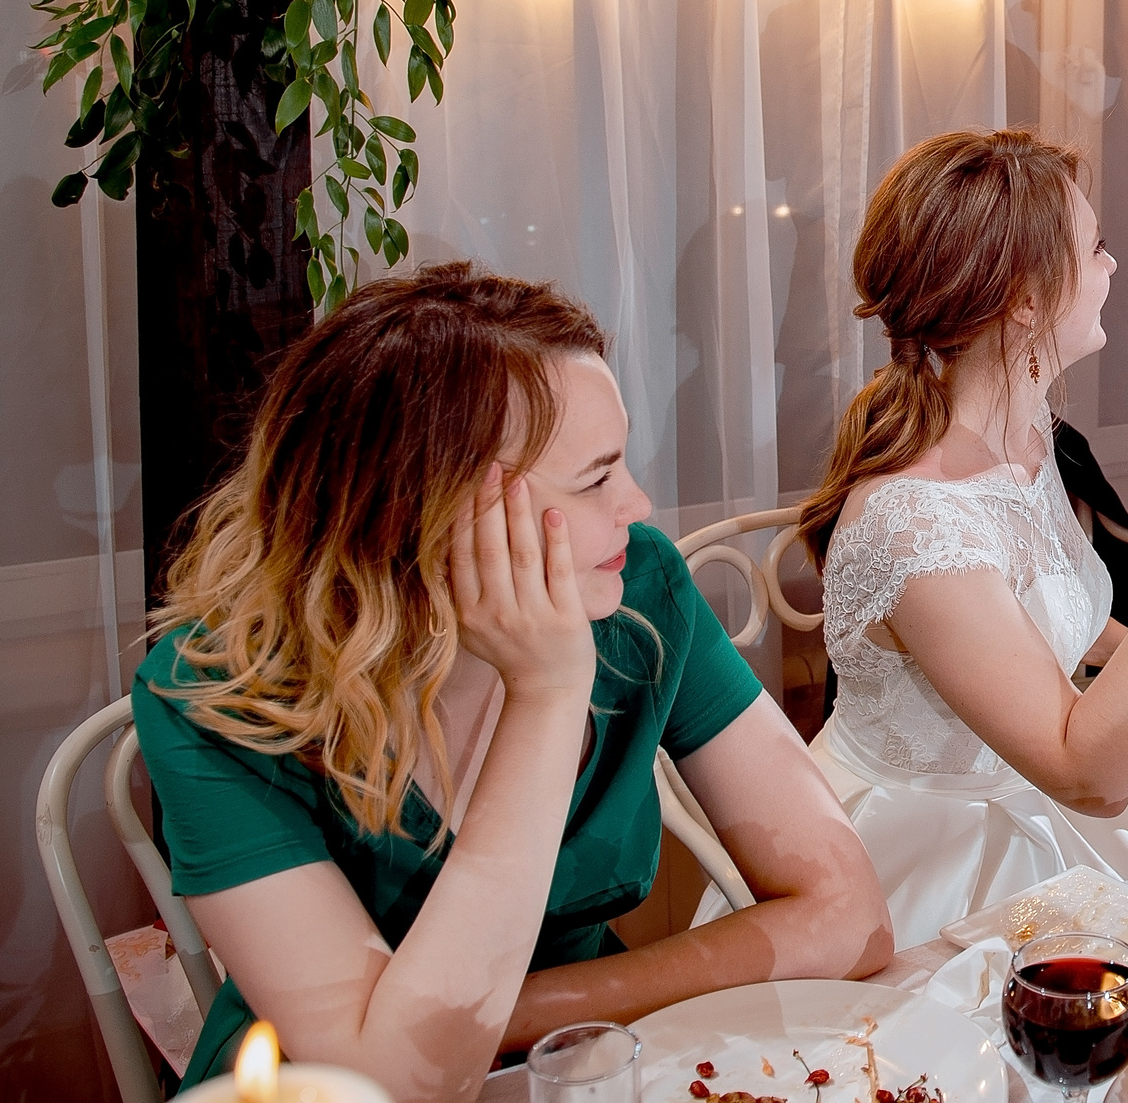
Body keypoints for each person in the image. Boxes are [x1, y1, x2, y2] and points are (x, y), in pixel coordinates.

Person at [133, 265, 890, 1097]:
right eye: (596, 478)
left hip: (584, 1064)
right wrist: (548, 693)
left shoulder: (641, 590)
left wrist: (526, 1013)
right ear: (431, 510)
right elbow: (394, 1083)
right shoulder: (211, 697)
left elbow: (851, 918)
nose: (637, 504)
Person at [802, 129, 1128, 945]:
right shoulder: (913, 522)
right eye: (1095, 249)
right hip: (920, 865)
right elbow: (1093, 779)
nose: (1112, 267)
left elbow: (1024, 611)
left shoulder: (1024, 435)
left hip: (1028, 801)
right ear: (1022, 299)